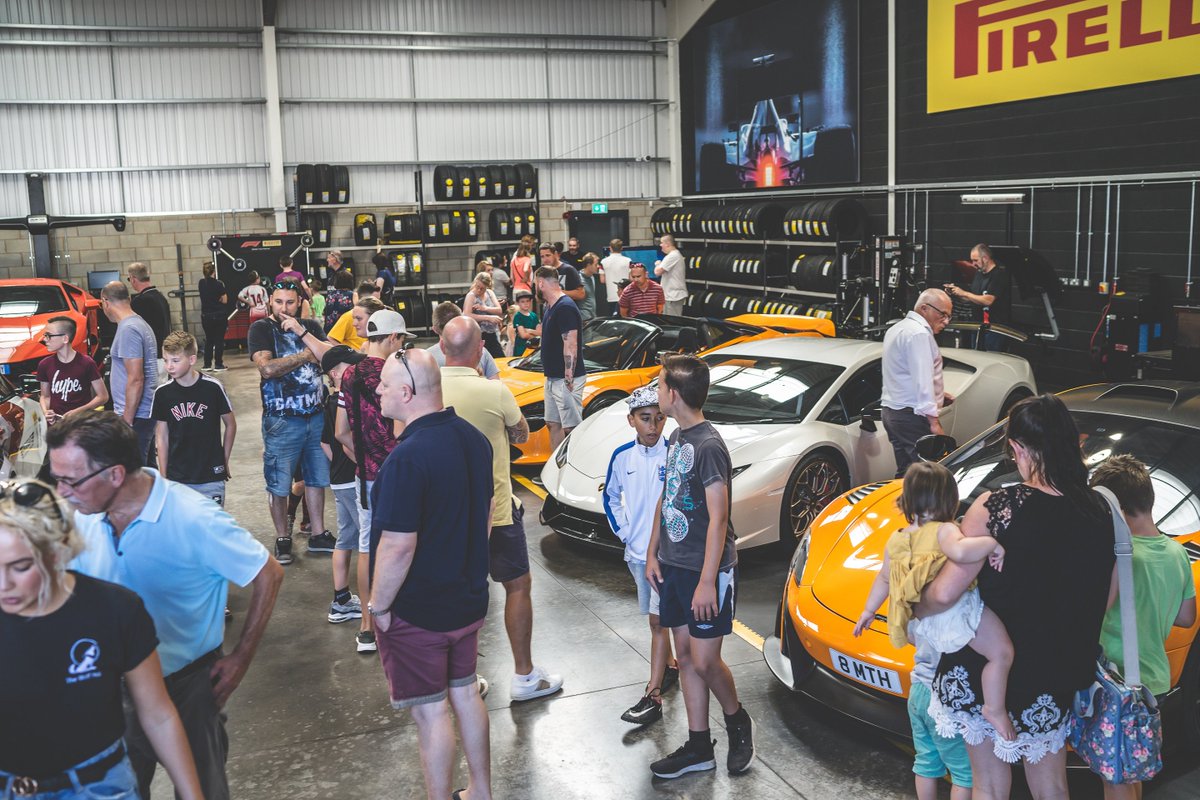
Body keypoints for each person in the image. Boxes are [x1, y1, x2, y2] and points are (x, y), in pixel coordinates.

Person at [57, 411, 284, 800]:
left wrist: (241, 657)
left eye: (70, 480)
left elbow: (268, 572)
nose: (61, 492)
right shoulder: (82, 516)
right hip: (113, 689)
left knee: (202, 789)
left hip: (189, 689)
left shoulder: (193, 517)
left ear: (114, 475)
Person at [923, 394, 1116, 797]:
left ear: (1018, 448)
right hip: (1055, 667)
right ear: (1073, 443)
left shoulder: (997, 505)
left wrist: (912, 600)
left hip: (984, 664)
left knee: (989, 785)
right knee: (1050, 785)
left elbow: (944, 594)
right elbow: (1107, 595)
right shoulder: (1100, 511)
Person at [0, 479, 204, 800]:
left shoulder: (113, 609)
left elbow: (158, 714)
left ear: (57, 551)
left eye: (20, 567)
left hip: (100, 787)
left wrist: (194, 795)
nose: (3, 584)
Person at [369, 347, 494, 800]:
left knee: (430, 713)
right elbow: (485, 516)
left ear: (406, 392)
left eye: (384, 384)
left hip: (420, 614)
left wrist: (378, 607)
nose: (378, 391)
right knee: (465, 695)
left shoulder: (406, 459)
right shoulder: (473, 439)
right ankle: (480, 791)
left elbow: (399, 545)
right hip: (468, 602)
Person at [440, 317, 563, 703]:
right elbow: (522, 434)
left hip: (444, 517)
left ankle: (462, 679)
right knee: (517, 587)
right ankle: (524, 677)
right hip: (495, 512)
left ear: (442, 348)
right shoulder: (494, 391)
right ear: (480, 351)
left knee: (455, 596)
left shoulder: (425, 388)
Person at [646, 354, 754, 779]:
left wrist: (708, 580)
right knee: (686, 657)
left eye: (658, 387)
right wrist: (654, 550)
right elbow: (668, 496)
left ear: (674, 395)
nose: (656, 394)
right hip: (674, 565)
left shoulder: (708, 446)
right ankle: (698, 746)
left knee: (707, 662)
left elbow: (720, 517)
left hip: (705, 570)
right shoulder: (676, 439)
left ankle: (737, 720)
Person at [853, 461, 1015, 744]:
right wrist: (992, 544)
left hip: (922, 621)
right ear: (948, 499)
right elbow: (961, 552)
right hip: (953, 613)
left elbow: (884, 578)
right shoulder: (944, 530)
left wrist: (868, 610)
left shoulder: (897, 538)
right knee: (1001, 654)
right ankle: (995, 708)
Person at [1090, 455, 1196, 800]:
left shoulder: (1120, 557)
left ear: (1114, 508)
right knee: (1130, 771)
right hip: (1156, 682)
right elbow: (1186, 617)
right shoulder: (1177, 554)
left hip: (1117, 682)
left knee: (1114, 777)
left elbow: (1092, 610)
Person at [335, 309, 413, 653]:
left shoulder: (348, 375)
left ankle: (368, 627)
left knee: (367, 545)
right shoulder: (396, 373)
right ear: (394, 338)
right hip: (399, 474)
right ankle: (403, 618)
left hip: (364, 476)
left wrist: (365, 460)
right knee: (404, 540)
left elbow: (341, 432)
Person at [604, 386, 679, 725]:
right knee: (658, 619)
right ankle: (672, 666)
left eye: (659, 419)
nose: (653, 426)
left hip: (668, 556)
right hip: (636, 554)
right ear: (631, 420)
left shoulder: (673, 454)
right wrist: (625, 531)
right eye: (645, 419)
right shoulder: (622, 457)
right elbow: (611, 497)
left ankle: (653, 692)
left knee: (657, 621)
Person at [247, 280, 334, 565]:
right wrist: (307, 355)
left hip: (316, 415)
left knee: (317, 478)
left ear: (300, 302)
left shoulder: (311, 327)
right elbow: (268, 369)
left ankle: (319, 533)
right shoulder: (261, 329)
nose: (284, 308)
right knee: (279, 482)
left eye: (290, 302)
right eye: (279, 302)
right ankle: (283, 537)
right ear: (271, 301)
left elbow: (329, 358)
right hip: (282, 420)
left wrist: (307, 341)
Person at [152, 331, 237, 508]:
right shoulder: (162, 394)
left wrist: (224, 459)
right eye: (165, 360)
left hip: (211, 474)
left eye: (175, 361)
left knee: (213, 527)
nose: (169, 366)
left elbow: (230, 424)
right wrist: (163, 474)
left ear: (191, 360)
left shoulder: (213, 388)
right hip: (178, 477)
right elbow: (162, 436)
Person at [320, 345, 370, 627]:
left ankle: (341, 601)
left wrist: (338, 467)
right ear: (337, 373)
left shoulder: (329, 401)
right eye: (350, 367)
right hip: (353, 480)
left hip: (339, 479)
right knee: (367, 539)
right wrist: (360, 462)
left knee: (346, 537)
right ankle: (371, 603)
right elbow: (342, 438)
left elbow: (325, 443)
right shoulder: (344, 401)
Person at [881, 289, 954, 477]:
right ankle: (920, 508)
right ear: (924, 308)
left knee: (906, 474)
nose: (946, 321)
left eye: (949, 316)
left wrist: (939, 395)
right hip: (912, 416)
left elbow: (901, 373)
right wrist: (934, 422)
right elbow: (922, 379)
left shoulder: (897, 328)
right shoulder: (919, 334)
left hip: (892, 413)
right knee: (929, 475)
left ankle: (901, 506)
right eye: (943, 314)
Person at [100, 281, 159, 462]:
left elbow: (136, 378)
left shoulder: (128, 329)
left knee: (135, 471)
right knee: (147, 469)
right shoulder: (137, 323)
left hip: (137, 414)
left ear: (105, 302)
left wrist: (127, 418)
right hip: (142, 412)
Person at [534, 266, 585, 451]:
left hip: (565, 379)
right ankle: (554, 470)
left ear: (540, 283)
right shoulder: (550, 306)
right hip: (552, 377)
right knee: (552, 423)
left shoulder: (565, 307)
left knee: (571, 427)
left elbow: (570, 344)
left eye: (535, 283)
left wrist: (568, 376)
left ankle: (575, 469)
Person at [36, 315, 108, 425]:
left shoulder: (87, 363)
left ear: (65, 338)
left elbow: (103, 397)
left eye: (48, 335)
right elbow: (45, 396)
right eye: (45, 335)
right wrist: (46, 411)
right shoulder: (44, 364)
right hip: (57, 427)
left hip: (81, 425)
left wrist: (78, 412)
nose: (44, 339)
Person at [945, 244, 1012, 352]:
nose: (973, 264)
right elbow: (973, 298)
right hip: (977, 326)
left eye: (975, 260)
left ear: (985, 258)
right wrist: (957, 294)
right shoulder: (979, 274)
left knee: (992, 359)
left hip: (994, 328)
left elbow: (988, 300)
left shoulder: (999, 275)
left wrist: (965, 293)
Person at [426, 301, 501, 379]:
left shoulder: (425, 358)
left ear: (434, 329)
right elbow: (496, 384)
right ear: (462, 322)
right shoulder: (481, 351)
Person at [126, 262, 170, 356]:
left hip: (150, 355)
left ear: (133, 279)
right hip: (164, 352)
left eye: (129, 279)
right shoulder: (161, 297)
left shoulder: (139, 301)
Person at [464, 271, 505, 358]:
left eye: (482, 288)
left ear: (487, 286)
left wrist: (485, 308)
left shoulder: (490, 293)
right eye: (477, 286)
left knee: (499, 358)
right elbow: (467, 315)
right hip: (479, 334)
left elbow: (499, 310)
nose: (479, 290)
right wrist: (488, 318)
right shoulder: (471, 296)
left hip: (492, 333)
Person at [197, 262, 229, 372]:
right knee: (219, 340)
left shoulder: (201, 283)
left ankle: (207, 364)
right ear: (214, 272)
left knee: (209, 340)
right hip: (219, 315)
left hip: (206, 316)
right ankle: (218, 364)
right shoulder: (219, 284)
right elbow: (224, 300)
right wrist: (218, 299)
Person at [654, 235, 688, 317]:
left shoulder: (673, 256)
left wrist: (658, 264)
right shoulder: (672, 256)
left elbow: (657, 272)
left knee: (672, 321)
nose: (660, 245)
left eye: (662, 243)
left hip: (673, 296)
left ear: (668, 244)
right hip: (671, 295)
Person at [602, 238, 632, 314]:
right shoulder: (628, 261)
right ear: (621, 248)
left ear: (610, 248)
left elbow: (602, 280)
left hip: (611, 296)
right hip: (626, 295)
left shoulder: (603, 262)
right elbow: (631, 278)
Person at [510, 290, 540, 357]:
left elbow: (541, 332)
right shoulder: (518, 316)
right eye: (522, 302)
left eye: (527, 301)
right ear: (518, 303)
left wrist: (530, 331)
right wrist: (536, 336)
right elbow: (523, 335)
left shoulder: (534, 315)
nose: (526, 303)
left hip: (533, 348)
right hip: (521, 348)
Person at [578, 253, 602, 321]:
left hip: (592, 316)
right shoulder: (578, 279)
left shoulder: (592, 277)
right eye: (596, 264)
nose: (598, 266)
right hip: (583, 319)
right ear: (588, 265)